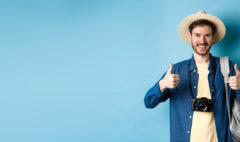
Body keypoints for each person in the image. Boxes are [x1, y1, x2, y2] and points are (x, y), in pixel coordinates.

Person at [144, 10, 240, 142]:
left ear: (213, 37)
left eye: (207, 35)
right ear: (190, 36)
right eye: (197, 35)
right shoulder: (176, 70)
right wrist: (162, 85)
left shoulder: (227, 67)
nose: (202, 41)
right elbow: (148, 102)